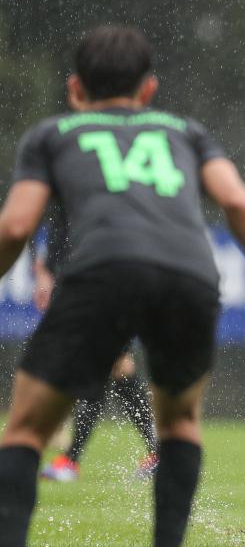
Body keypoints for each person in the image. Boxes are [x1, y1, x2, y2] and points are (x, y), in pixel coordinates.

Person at [0, 26, 245, 547]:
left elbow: (17, 224)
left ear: (75, 89)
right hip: (189, 278)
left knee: (23, 429)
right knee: (181, 423)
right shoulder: (184, 131)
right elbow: (238, 201)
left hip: (99, 274)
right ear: (148, 91)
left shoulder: (52, 135)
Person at [34, 206, 159, 482]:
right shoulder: (72, 190)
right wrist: (45, 269)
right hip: (99, 280)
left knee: (99, 365)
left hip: (104, 280)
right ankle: (159, 452)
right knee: (118, 367)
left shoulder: (82, 183)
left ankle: (71, 459)